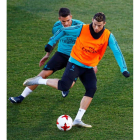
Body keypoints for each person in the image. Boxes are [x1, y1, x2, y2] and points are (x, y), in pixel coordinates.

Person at [23, 12, 130, 128]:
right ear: (92, 20)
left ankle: (78, 119)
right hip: (75, 63)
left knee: (91, 88)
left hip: (88, 67)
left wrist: (123, 69)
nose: (96, 27)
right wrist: (50, 43)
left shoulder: (108, 36)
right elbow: (63, 30)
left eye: (99, 25)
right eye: (94, 24)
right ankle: (39, 80)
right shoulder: (82, 28)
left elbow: (117, 51)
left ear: (104, 24)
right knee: (65, 86)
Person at [9, 8, 97, 103]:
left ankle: (65, 87)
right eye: (63, 21)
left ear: (71, 17)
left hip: (76, 58)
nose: (66, 23)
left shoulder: (81, 26)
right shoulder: (56, 27)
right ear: (59, 19)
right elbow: (54, 41)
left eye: (68, 20)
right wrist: (47, 55)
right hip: (61, 54)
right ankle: (21, 97)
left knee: (70, 84)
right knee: (42, 74)